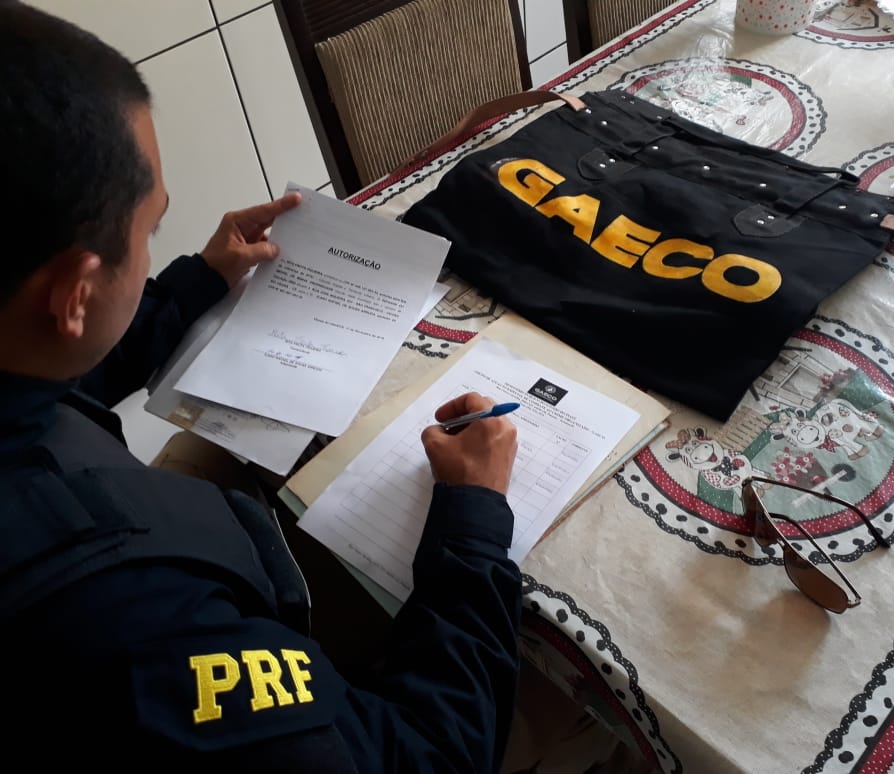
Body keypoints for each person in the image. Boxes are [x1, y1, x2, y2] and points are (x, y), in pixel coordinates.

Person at [0, 3, 523, 770]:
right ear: (74, 293)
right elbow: (429, 756)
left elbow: (54, 370)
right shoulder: (135, 616)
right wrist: (474, 523)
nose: (151, 250)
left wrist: (197, 283)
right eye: (149, 232)